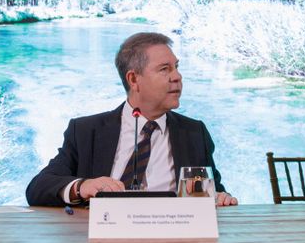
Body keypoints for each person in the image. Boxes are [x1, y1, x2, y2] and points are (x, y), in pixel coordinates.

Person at [26, 32, 237, 207]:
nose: (177, 77)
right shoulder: (85, 131)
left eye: (177, 67)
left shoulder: (194, 132)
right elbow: (38, 188)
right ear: (134, 79)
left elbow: (212, 192)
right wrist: (82, 187)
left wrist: (220, 198)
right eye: (165, 69)